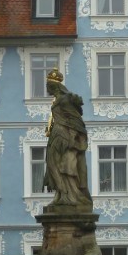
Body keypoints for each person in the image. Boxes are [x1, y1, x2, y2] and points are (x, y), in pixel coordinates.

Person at [42, 68, 93, 209]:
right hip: (56, 136)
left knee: (63, 166)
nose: (46, 88)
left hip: (64, 137)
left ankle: (70, 196)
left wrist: (72, 137)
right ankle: (61, 195)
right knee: (53, 165)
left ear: (53, 86)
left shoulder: (65, 99)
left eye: (47, 85)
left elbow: (76, 120)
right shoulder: (58, 100)